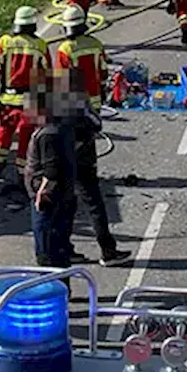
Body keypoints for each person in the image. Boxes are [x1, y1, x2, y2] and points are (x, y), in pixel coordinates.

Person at [65, 94, 131, 267]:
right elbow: (95, 123)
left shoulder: (41, 99)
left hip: (57, 160)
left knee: (63, 206)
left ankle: (63, 248)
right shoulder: (76, 100)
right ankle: (108, 251)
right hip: (81, 160)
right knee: (94, 205)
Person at [0, 6, 50, 177]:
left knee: (2, 135)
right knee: (26, 139)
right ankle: (23, 174)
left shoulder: (4, 42)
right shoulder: (40, 46)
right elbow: (46, 75)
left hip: (7, 99)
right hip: (30, 102)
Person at [24, 89, 78, 268]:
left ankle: (53, 290)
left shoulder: (47, 134)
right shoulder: (62, 128)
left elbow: (51, 170)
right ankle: (62, 289)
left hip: (49, 201)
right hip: (63, 196)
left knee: (47, 251)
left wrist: (42, 193)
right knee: (58, 249)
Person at [53, 5, 108, 113]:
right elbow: (103, 70)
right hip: (95, 100)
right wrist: (102, 89)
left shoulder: (65, 48)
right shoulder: (96, 44)